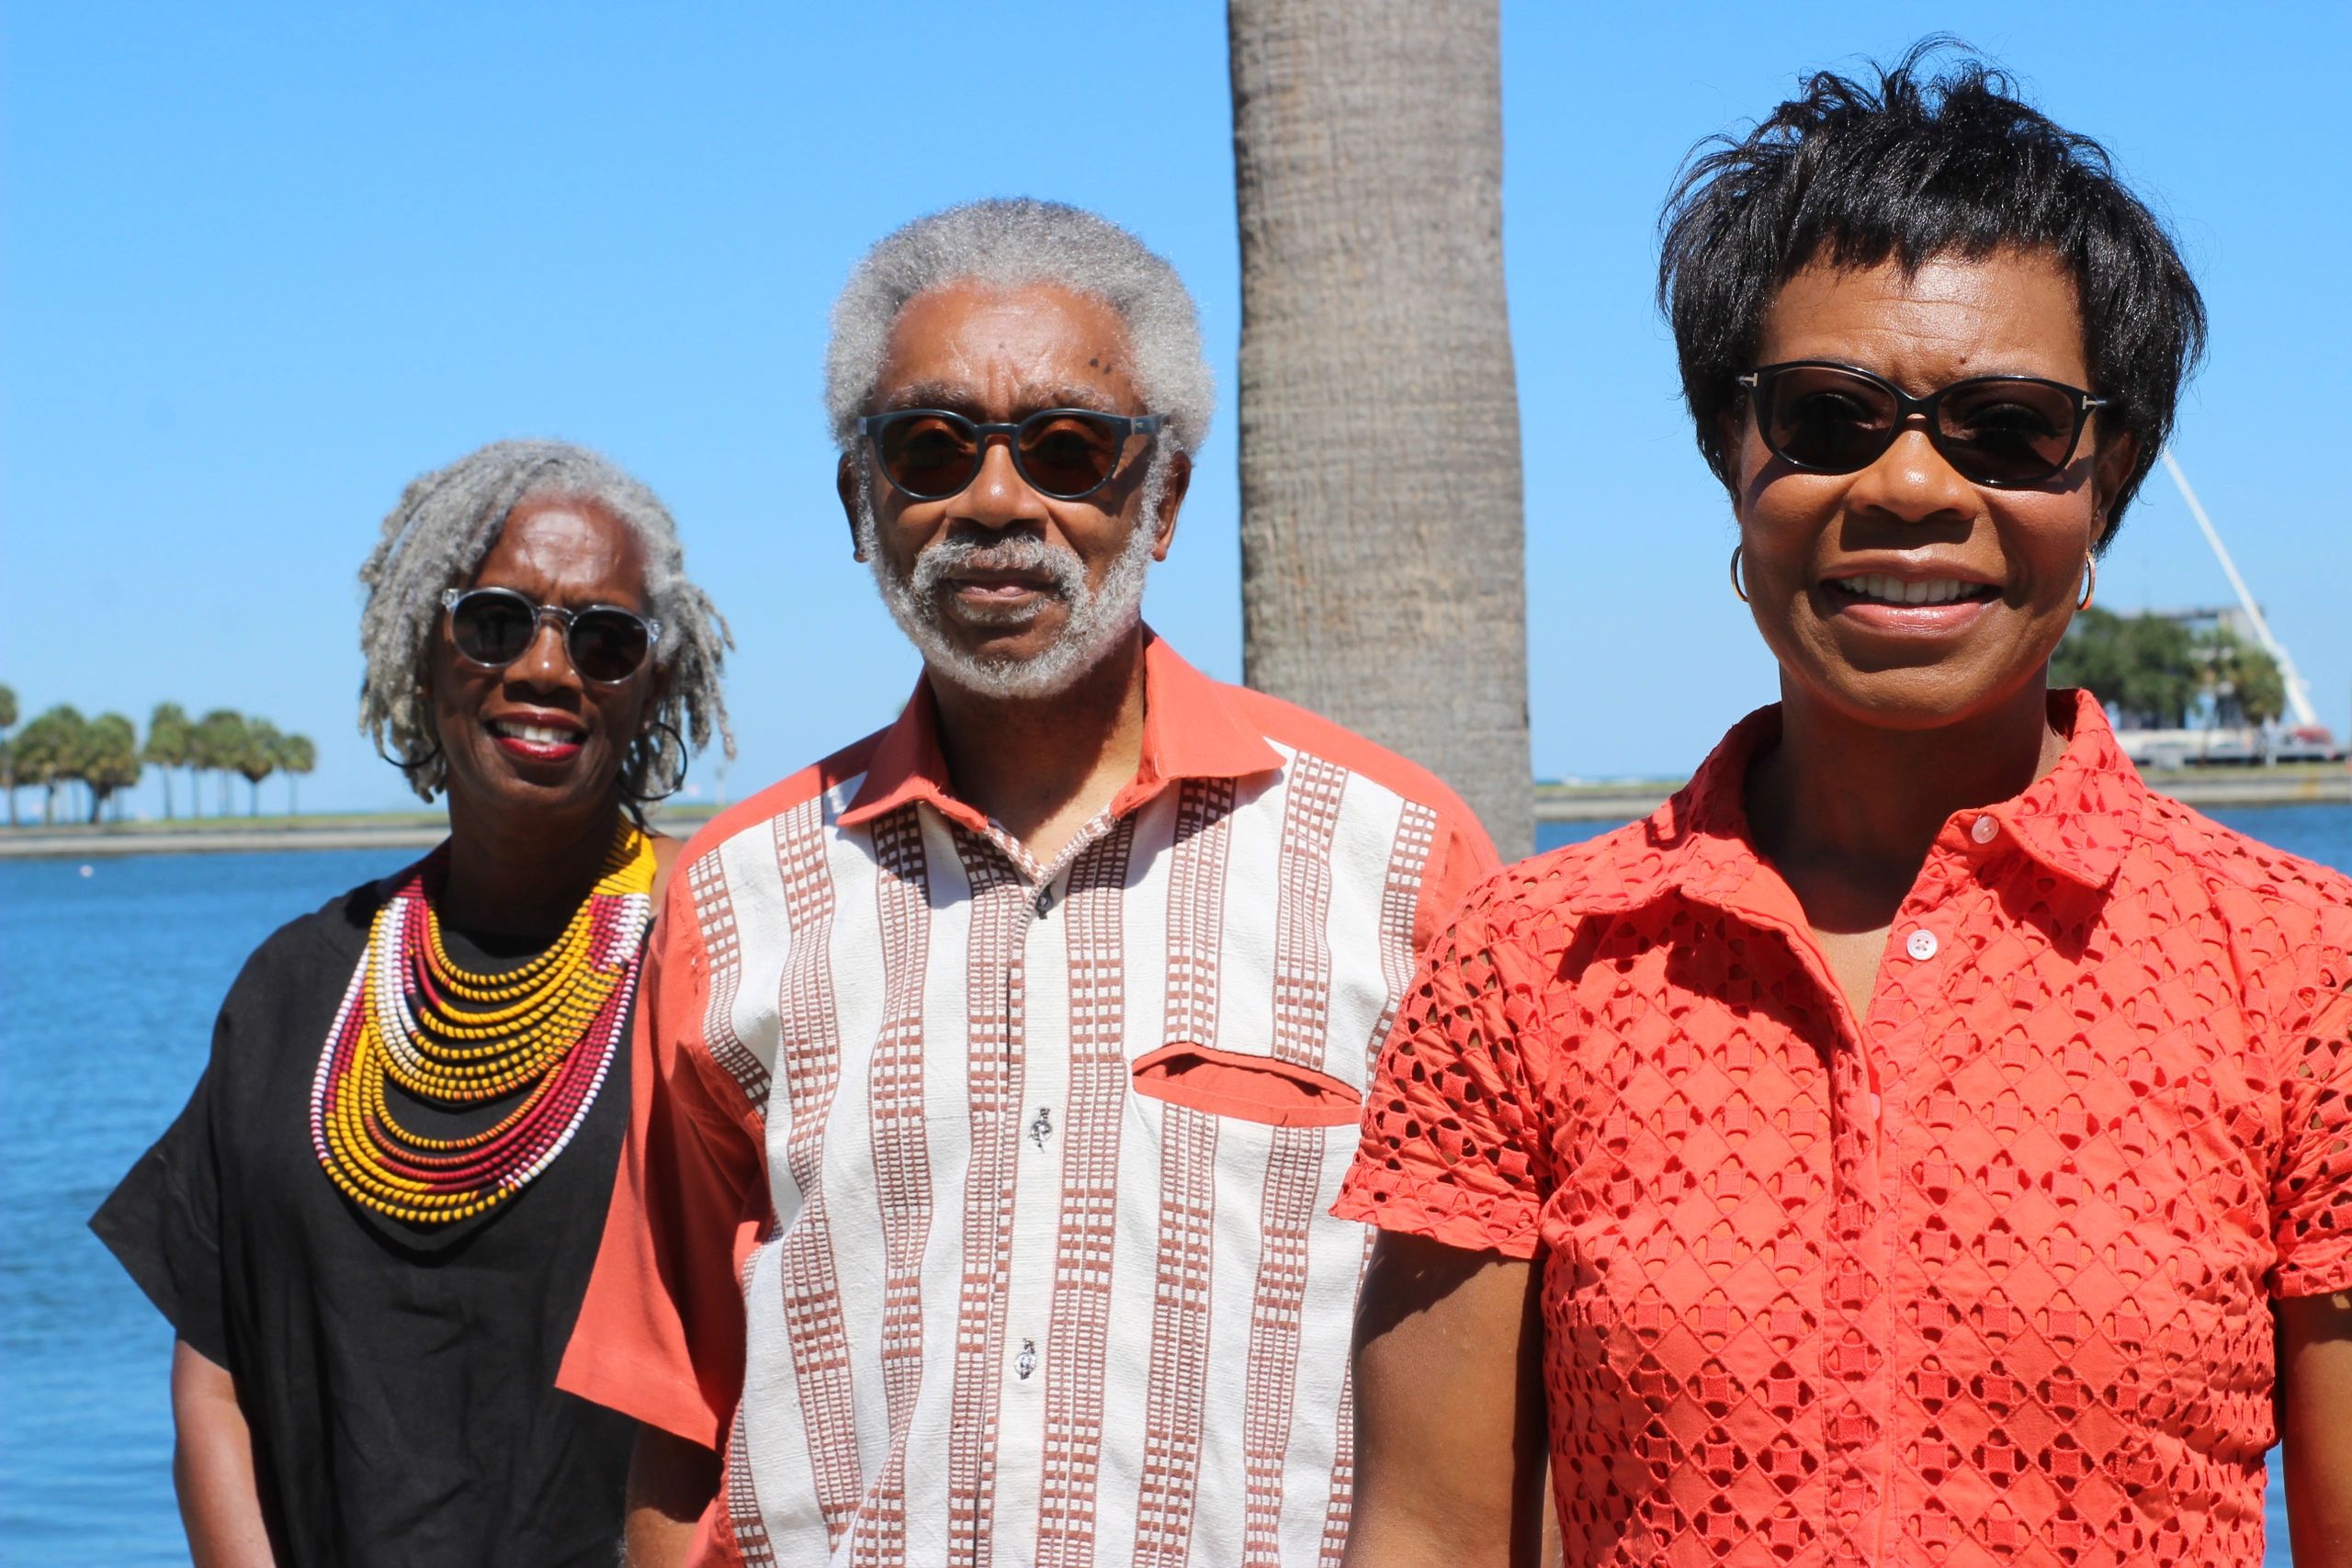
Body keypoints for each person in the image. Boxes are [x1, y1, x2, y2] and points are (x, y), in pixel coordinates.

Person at [1335, 48, 2352, 1568]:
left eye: (2007, 428)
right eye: (1829, 416)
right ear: (1733, 455)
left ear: (2107, 482)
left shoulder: (2303, 974)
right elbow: (1427, 1531)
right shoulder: (1532, 965)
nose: (1913, 487)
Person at [557, 197, 1498, 1566]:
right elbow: (674, 1401)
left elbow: (1491, 1407)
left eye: (1069, 449)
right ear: (860, 503)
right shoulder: (734, 894)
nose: (997, 502)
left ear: (1162, 499)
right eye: (930, 450)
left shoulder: (1398, 864)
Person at [93, 439, 733, 1566]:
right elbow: (216, 1376)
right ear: (422, 657)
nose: (546, 668)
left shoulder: (727, 953)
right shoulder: (298, 983)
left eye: (605, 640)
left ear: (651, 692)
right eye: (494, 622)